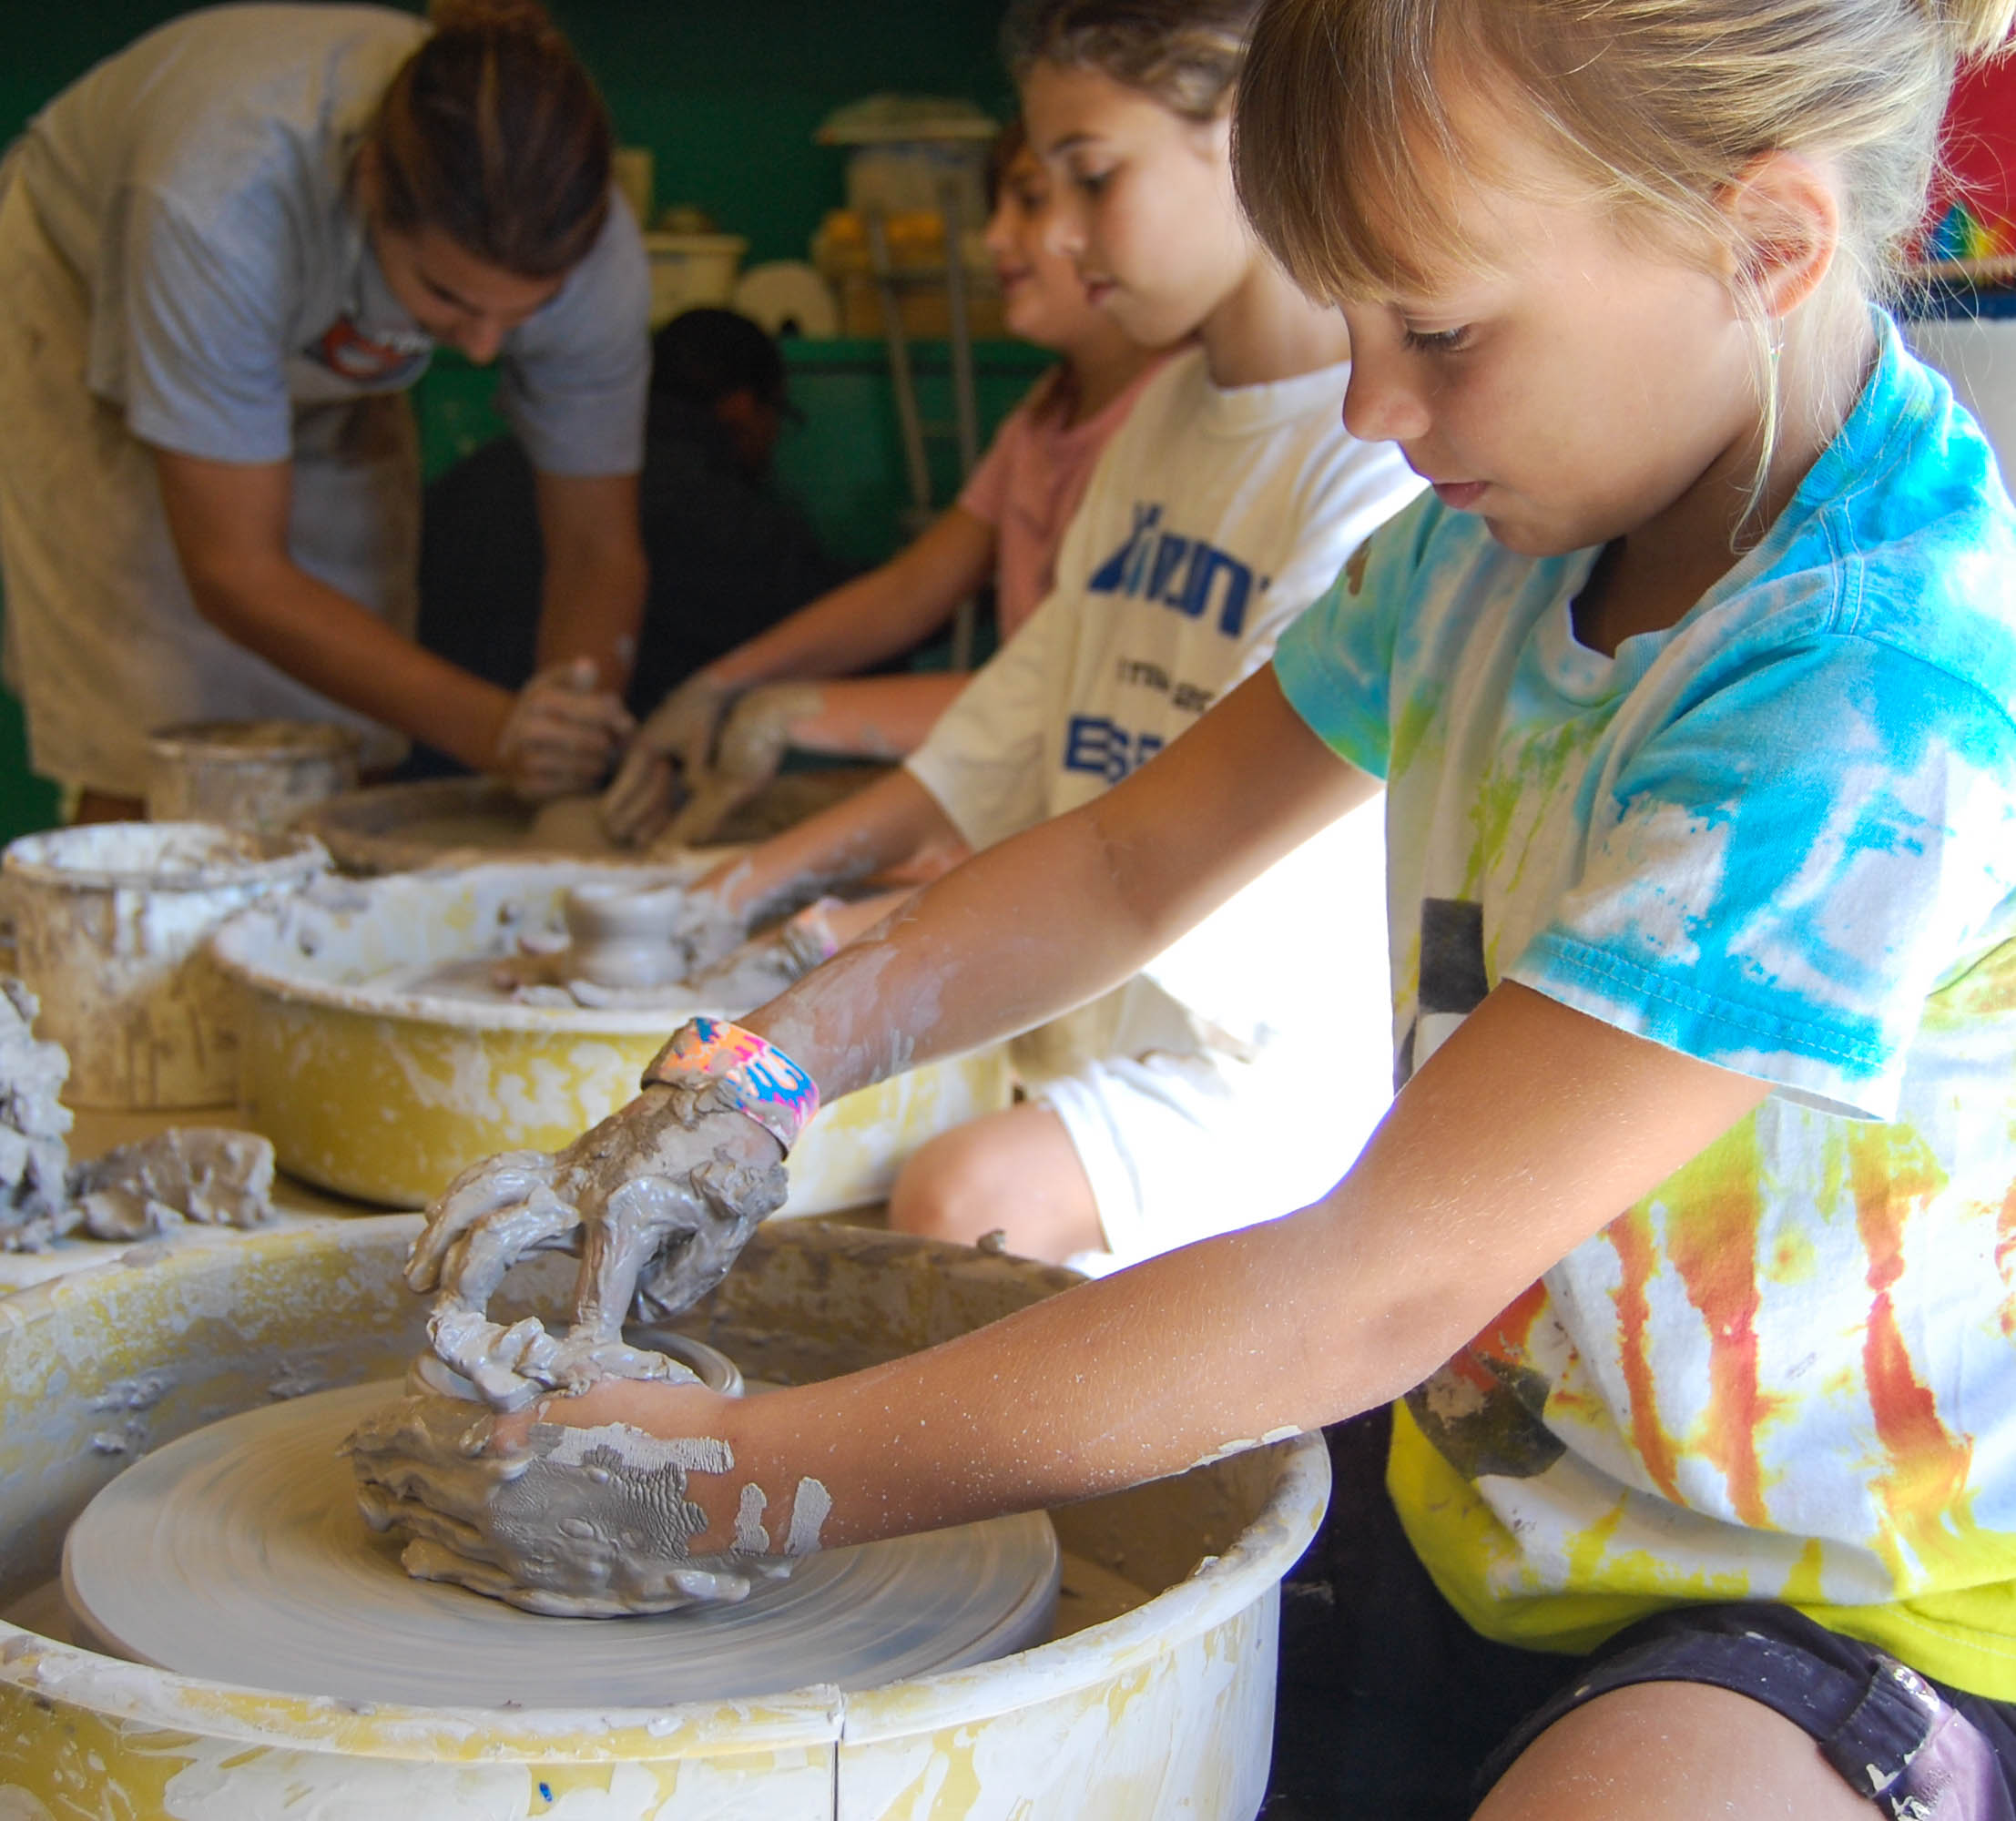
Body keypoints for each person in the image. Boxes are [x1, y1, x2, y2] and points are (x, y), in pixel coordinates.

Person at [372, 0, 2016, 1813]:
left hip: (1829, 1587)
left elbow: (1369, 1283)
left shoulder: (1873, 694)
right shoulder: (1481, 550)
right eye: (1351, 319)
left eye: (1441, 330)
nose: (1378, 412)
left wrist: (744, 1473)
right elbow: (1123, 860)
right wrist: (740, 1090)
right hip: (1493, 1492)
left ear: (1760, 244)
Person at [623, 0, 1420, 1274]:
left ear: (1250, 132)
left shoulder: (1371, 462)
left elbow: (1144, 865)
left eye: (1089, 179)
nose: (1047, 233)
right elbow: (999, 737)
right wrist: (718, 903)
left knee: (952, 1191)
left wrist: (793, 995)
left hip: (1266, 1072)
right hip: (1088, 1013)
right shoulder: (1167, 421)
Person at [0, 0, 647, 820]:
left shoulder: (590, 247)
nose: (483, 348)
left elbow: (598, 547)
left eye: (521, 314)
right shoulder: (217, 194)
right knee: (160, 728)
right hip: (85, 289)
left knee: (356, 731)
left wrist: (568, 734)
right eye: (448, 297)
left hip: (325, 321)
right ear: (372, 182)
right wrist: (492, 730)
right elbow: (234, 572)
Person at [598, 119, 1169, 850]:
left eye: (1026, 203)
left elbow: (1064, 689)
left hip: (1110, 829)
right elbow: (910, 592)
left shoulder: (1166, 424)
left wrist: (787, 713)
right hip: (1040, 800)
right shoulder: (1044, 414)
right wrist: (720, 686)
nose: (993, 238)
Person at [407, 307, 850, 766]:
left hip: (433, 772)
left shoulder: (470, 479)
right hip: (568, 791)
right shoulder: (725, 514)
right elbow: (847, 633)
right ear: (743, 407)